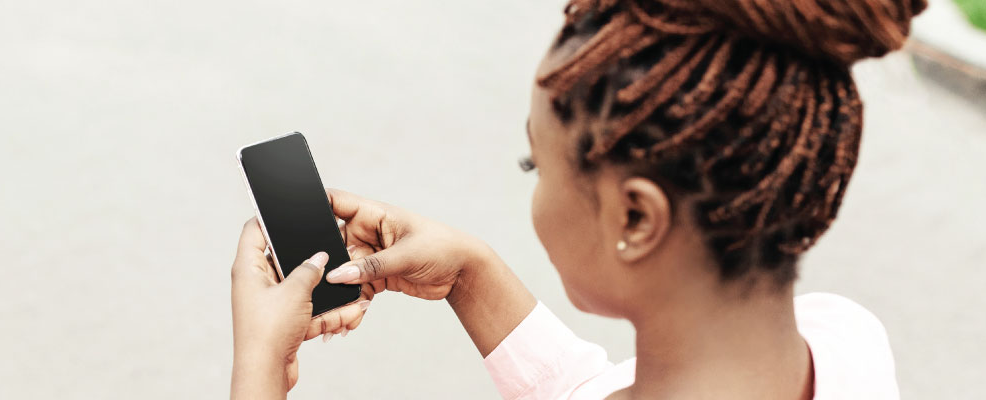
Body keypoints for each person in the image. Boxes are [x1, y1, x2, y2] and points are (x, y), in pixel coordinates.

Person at [229, 0, 927, 398]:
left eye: (539, 162)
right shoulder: (845, 343)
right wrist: (471, 274)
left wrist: (259, 372)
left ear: (635, 216)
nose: (535, 184)